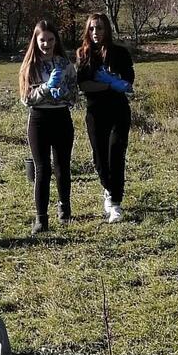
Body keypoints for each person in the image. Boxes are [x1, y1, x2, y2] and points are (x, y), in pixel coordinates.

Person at [18, 19, 78, 232]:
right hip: (39, 120)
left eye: (51, 40)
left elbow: (74, 94)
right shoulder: (30, 66)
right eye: (43, 40)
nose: (47, 44)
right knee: (42, 168)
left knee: (62, 166)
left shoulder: (65, 64)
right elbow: (26, 98)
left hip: (61, 118)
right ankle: (41, 219)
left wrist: (63, 93)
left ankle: (65, 210)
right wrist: (46, 88)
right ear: (36, 40)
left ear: (56, 40)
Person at [75, 12, 134, 224]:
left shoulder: (120, 53)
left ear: (106, 29)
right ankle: (108, 189)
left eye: (99, 28)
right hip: (95, 113)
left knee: (116, 152)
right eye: (91, 28)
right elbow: (83, 85)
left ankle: (115, 203)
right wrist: (109, 84)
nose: (95, 32)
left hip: (119, 111)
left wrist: (109, 82)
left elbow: (128, 83)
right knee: (100, 159)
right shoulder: (83, 54)